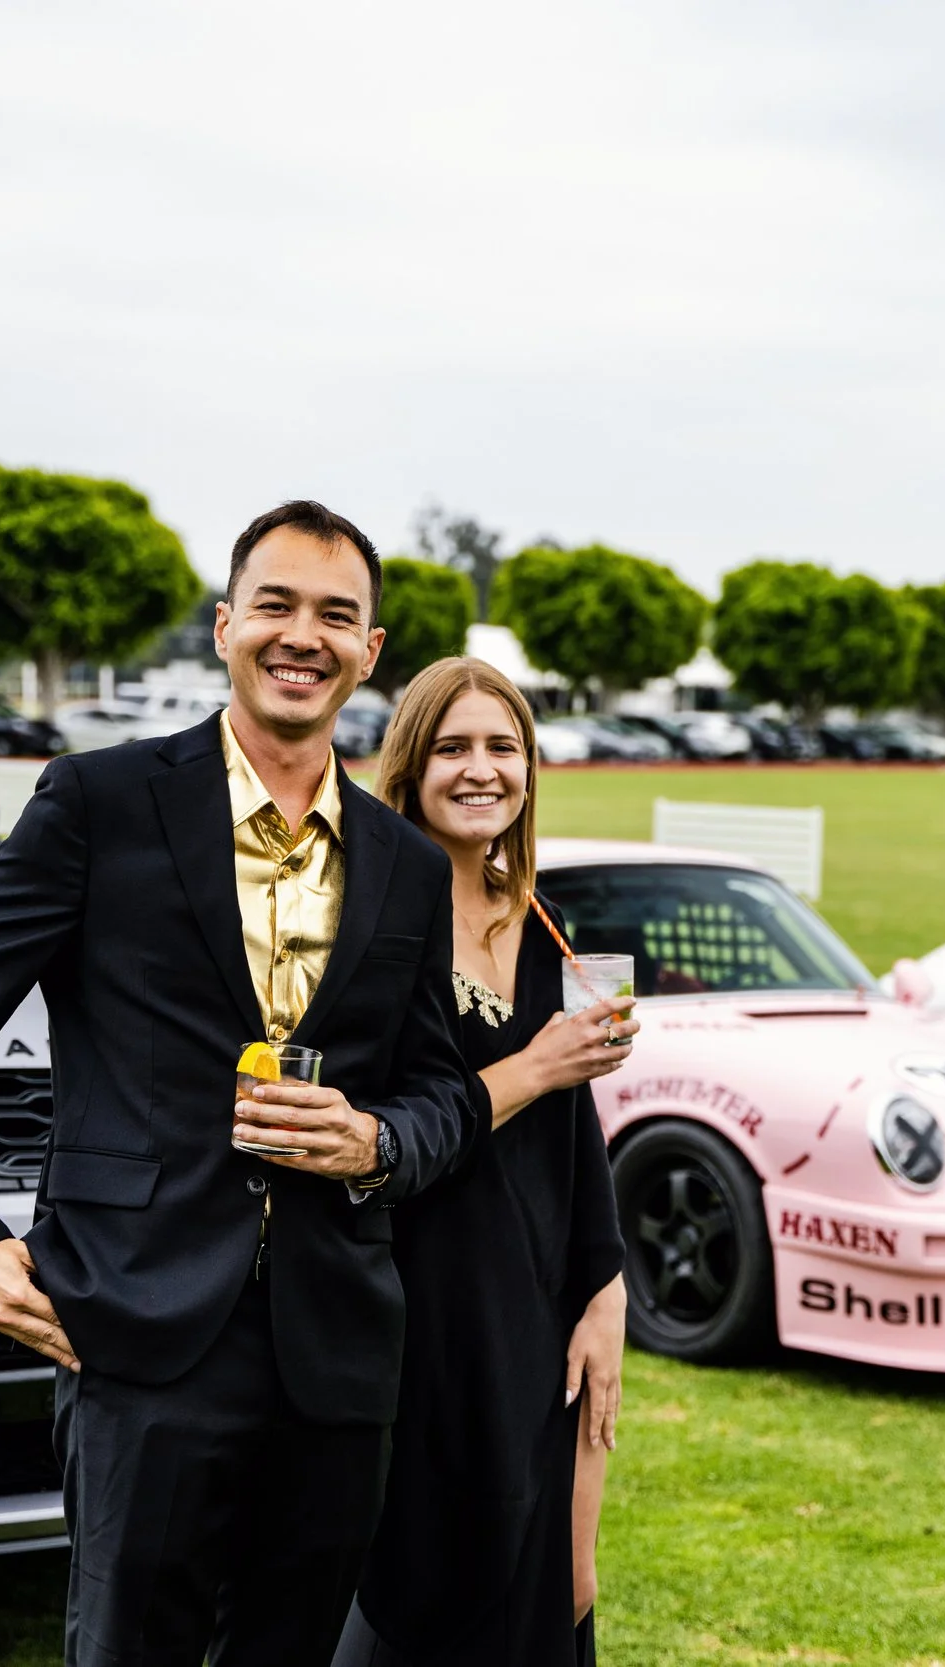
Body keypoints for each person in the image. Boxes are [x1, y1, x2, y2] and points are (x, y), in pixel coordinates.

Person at [0, 501, 481, 1667]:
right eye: (275, 604)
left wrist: (373, 1140)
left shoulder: (407, 863)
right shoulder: (98, 801)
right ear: (224, 626)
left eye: (335, 615)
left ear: (369, 650)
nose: (301, 635)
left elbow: (442, 1094)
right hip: (136, 1323)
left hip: (336, 1346)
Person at [335, 658, 635, 1667]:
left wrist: (604, 1287)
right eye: (452, 747)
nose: (480, 769)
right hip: (419, 1309)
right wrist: (535, 1063)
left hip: (538, 1307)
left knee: (554, 1585)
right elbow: (380, 1133)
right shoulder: (374, 922)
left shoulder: (538, 919)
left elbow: (571, 1128)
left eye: (503, 746)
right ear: (410, 766)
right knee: (428, 1586)